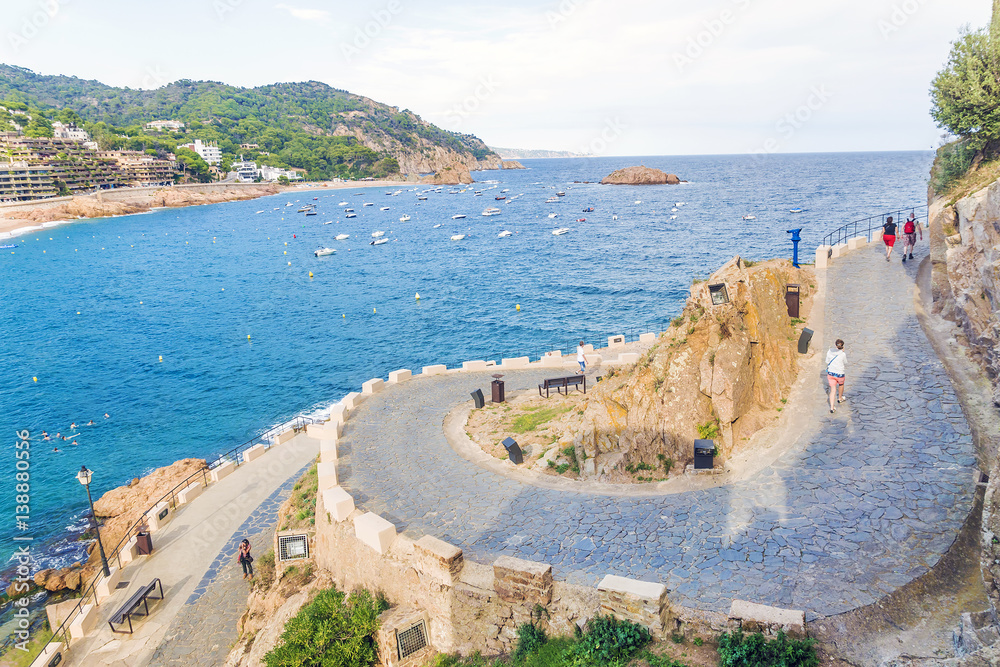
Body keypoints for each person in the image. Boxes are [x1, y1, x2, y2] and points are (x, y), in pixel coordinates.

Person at [826, 339, 847, 413]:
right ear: (842, 346)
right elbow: (845, 362)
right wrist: (842, 352)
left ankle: (832, 407)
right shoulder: (843, 354)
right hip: (840, 374)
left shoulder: (829, 352)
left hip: (831, 373)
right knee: (841, 384)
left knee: (833, 390)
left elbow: (827, 361)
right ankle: (840, 398)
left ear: (835, 345)